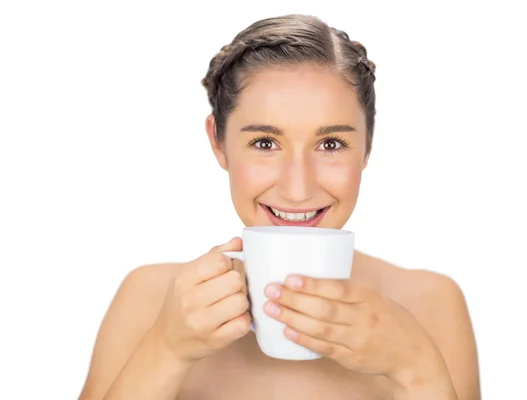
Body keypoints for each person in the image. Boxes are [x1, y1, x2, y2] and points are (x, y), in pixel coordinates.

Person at [78, 14, 480, 400]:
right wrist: (164, 351)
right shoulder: (148, 299)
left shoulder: (432, 304)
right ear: (218, 142)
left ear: (368, 148)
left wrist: (415, 365)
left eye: (330, 144)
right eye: (265, 144)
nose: (297, 188)